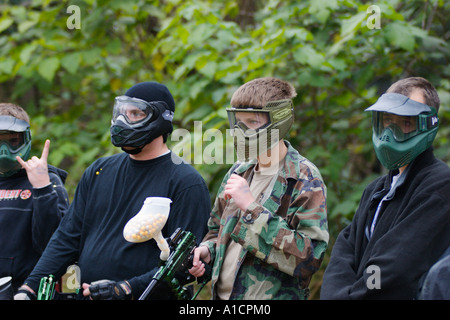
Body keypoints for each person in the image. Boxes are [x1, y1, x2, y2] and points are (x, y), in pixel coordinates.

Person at [15, 82, 211, 300]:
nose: (122, 121)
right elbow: (66, 238)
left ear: (160, 119)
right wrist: (29, 288)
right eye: (121, 113)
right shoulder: (99, 171)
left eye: (135, 113)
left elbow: (184, 265)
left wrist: (124, 289)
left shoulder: (186, 182)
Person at [189, 77, 329, 300]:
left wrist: (252, 209)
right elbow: (216, 230)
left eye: (253, 122)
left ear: (278, 121)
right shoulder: (239, 171)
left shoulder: (304, 177)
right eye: (239, 122)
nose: (243, 130)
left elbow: (309, 259)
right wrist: (208, 250)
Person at [321, 77, 450, 299]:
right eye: (387, 122)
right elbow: (344, 254)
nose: (391, 134)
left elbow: (396, 266)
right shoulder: (376, 189)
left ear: (429, 125)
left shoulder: (440, 186)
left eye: (405, 123)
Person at [0, 103, 69, 293]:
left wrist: (42, 188)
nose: (4, 150)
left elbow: (55, 245)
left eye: (13, 140)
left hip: (27, 290)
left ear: (26, 139)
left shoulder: (47, 181)